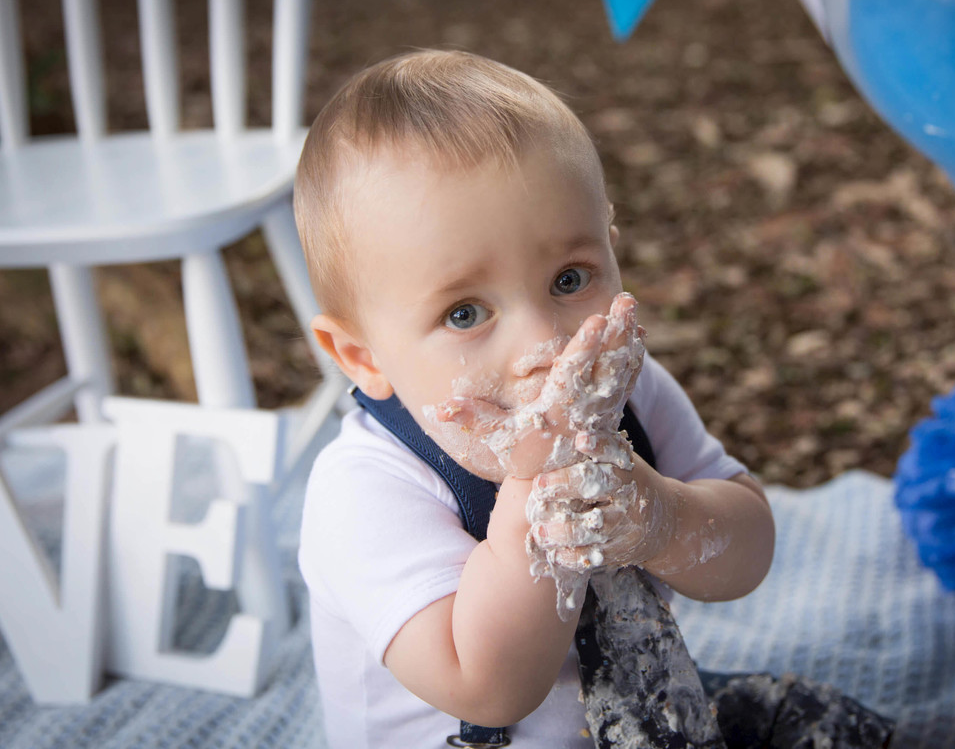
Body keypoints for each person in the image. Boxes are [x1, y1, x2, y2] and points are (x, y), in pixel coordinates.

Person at [294, 49, 893, 749]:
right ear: (363, 357)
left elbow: (749, 546)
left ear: (613, 254)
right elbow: (489, 689)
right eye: (465, 314)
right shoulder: (364, 491)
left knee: (816, 726)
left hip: (636, 716)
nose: (544, 342)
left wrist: (661, 519)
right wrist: (535, 491)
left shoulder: (629, 392)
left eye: (571, 280)